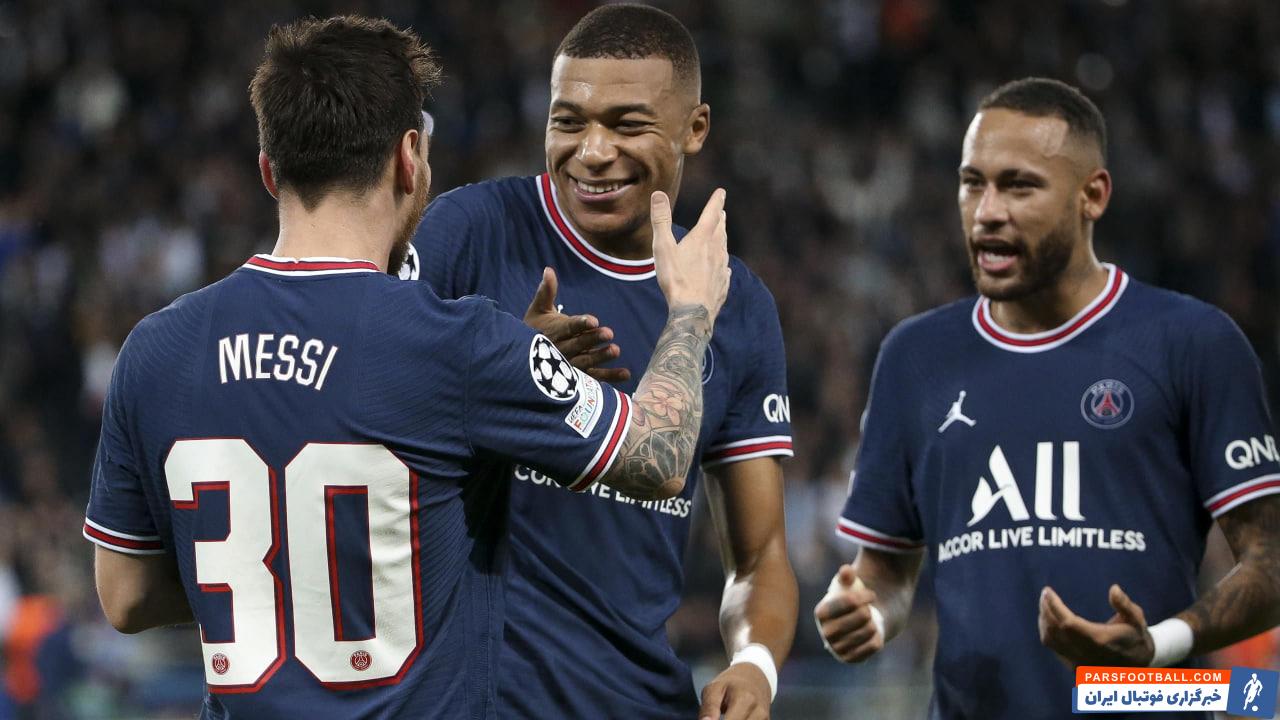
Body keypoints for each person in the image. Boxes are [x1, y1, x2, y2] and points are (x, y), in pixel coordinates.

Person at [81, 15, 733, 719]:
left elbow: (124, 596)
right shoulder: (459, 346)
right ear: (409, 157)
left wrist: (286, 584)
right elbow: (661, 456)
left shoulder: (154, 351)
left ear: (270, 170)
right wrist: (691, 312)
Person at [814, 77, 1280, 720]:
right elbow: (886, 574)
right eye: (972, 183)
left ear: (1093, 196)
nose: (987, 211)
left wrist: (1160, 647)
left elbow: (1270, 561)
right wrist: (866, 613)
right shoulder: (914, 358)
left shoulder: (1192, 342)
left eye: (1019, 186)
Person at [409, 5, 797, 718]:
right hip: (475, 700)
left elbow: (760, 555)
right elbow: (367, 432)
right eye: (568, 121)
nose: (591, 151)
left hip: (641, 701)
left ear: (695, 128)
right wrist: (504, 368)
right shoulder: (470, 234)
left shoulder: (735, 302)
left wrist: (755, 664)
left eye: (626, 125)